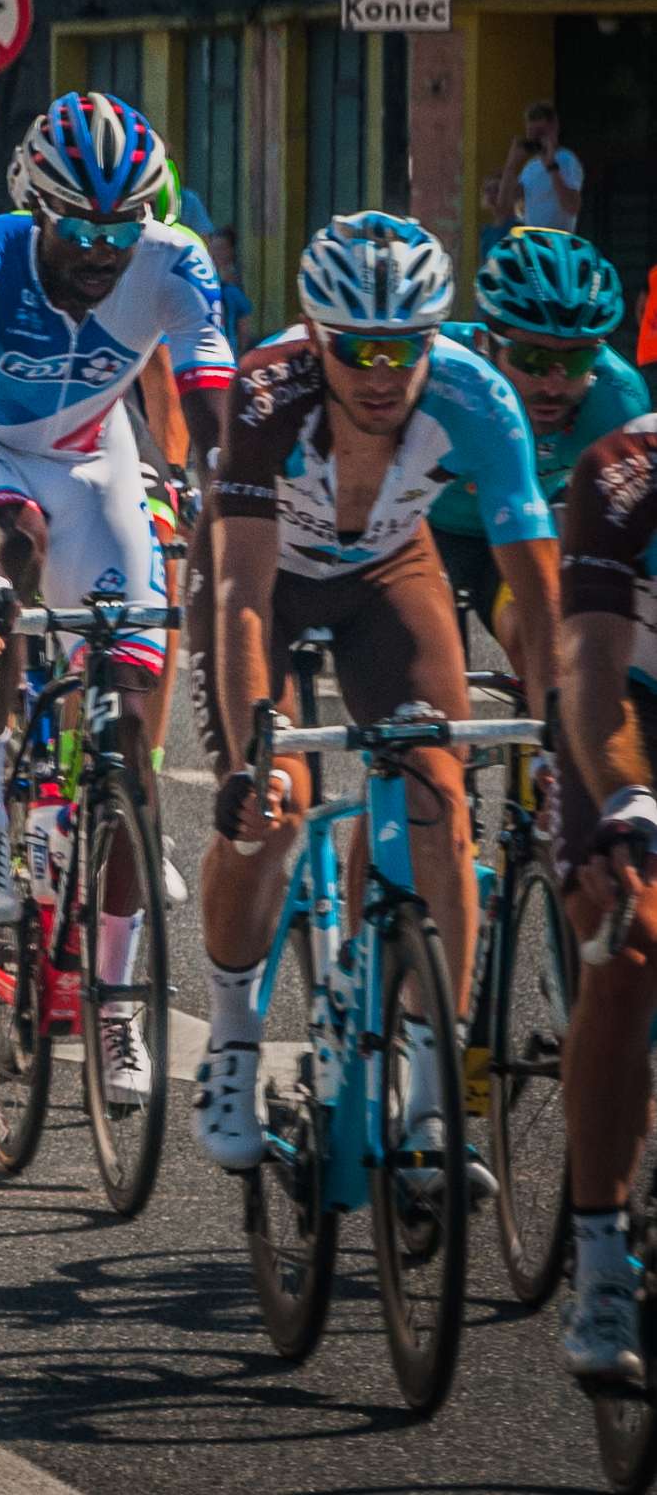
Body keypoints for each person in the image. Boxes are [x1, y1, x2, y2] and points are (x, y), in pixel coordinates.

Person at [194, 212, 556, 1178]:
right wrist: (247, 751)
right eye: (356, 347)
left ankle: (435, 1107)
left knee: (440, 799)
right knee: (274, 808)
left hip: (388, 571)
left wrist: (566, 720)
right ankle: (231, 1043)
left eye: (404, 346)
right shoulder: (267, 394)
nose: (382, 370)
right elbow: (238, 598)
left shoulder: (478, 398)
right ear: (317, 336)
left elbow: (538, 578)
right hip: (263, 583)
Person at [0, 93, 232, 1100]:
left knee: (130, 725)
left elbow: (216, 428)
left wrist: (228, 540)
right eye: (83, 228)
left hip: (97, 457)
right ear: (38, 210)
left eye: (123, 227)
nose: (105, 249)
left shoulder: (174, 261)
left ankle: (112, 1003)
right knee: (11, 565)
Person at [550, 412, 657, 1380]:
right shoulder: (623, 471)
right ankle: (599, 1271)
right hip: (625, 716)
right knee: (625, 946)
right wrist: (629, 803)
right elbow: (587, 663)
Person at [429, 227, 644, 677]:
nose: (552, 383)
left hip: (531, 525)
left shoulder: (618, 400)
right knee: (424, 669)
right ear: (487, 343)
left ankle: (541, 742)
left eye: (578, 361)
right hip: (429, 531)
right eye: (531, 359)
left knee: (547, 648)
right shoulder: (435, 372)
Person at [495, 99, 582, 232]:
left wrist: (552, 167)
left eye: (540, 132)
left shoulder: (566, 159)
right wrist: (511, 165)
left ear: (554, 128)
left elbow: (572, 207)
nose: (536, 138)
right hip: (533, 244)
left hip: (557, 244)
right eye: (531, 133)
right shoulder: (530, 167)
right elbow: (503, 209)